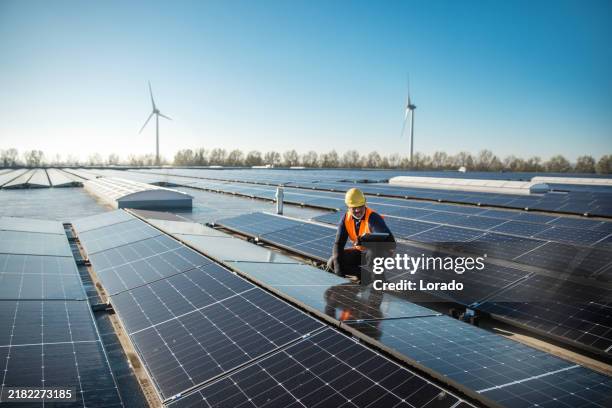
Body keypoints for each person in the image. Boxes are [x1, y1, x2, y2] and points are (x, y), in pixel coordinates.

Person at [326, 188, 395, 284]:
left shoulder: (373, 218)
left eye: (360, 206)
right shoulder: (346, 219)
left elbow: (390, 242)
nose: (357, 210)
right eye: (354, 208)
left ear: (364, 204)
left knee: (373, 252)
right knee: (333, 262)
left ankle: (379, 280)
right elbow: (338, 244)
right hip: (361, 251)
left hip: (380, 252)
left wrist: (367, 241)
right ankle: (366, 276)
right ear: (348, 207)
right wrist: (339, 271)